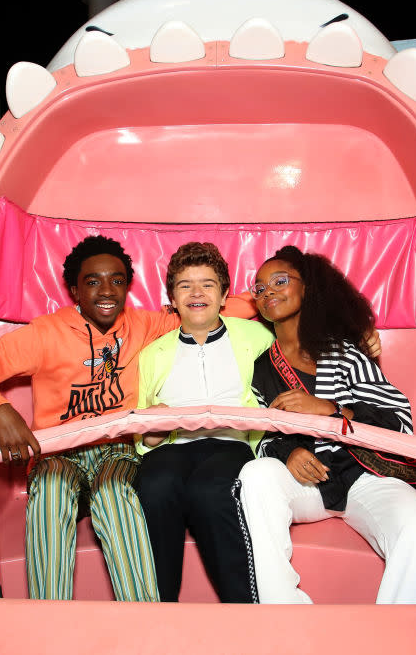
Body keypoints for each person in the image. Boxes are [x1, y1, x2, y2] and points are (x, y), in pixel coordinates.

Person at [0, 235, 255, 601]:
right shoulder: (45, 334)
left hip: (114, 453)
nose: (106, 290)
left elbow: (211, 307)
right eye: (92, 281)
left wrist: (265, 295)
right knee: (50, 494)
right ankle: (49, 627)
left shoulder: (144, 325)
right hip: (59, 454)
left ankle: (144, 627)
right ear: (74, 289)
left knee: (115, 494)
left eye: (117, 281)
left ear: (126, 288)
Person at [238, 245, 416, 605]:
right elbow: (263, 438)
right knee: (255, 475)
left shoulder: (346, 352)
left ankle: (398, 633)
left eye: (280, 281)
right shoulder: (262, 368)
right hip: (305, 484)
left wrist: (330, 409)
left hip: (363, 478)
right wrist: (289, 454)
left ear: (308, 288)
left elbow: (399, 422)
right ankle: (285, 617)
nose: (268, 292)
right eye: (260, 287)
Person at [134, 242, 273, 603]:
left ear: (225, 294)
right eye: (185, 286)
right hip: (174, 445)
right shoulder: (153, 354)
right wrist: (151, 436)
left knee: (211, 491)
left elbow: (302, 348)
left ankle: (242, 609)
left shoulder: (256, 337)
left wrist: (357, 338)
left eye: (208, 284)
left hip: (232, 443)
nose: (197, 293)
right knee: (155, 483)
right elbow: (141, 432)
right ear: (173, 298)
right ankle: (159, 610)